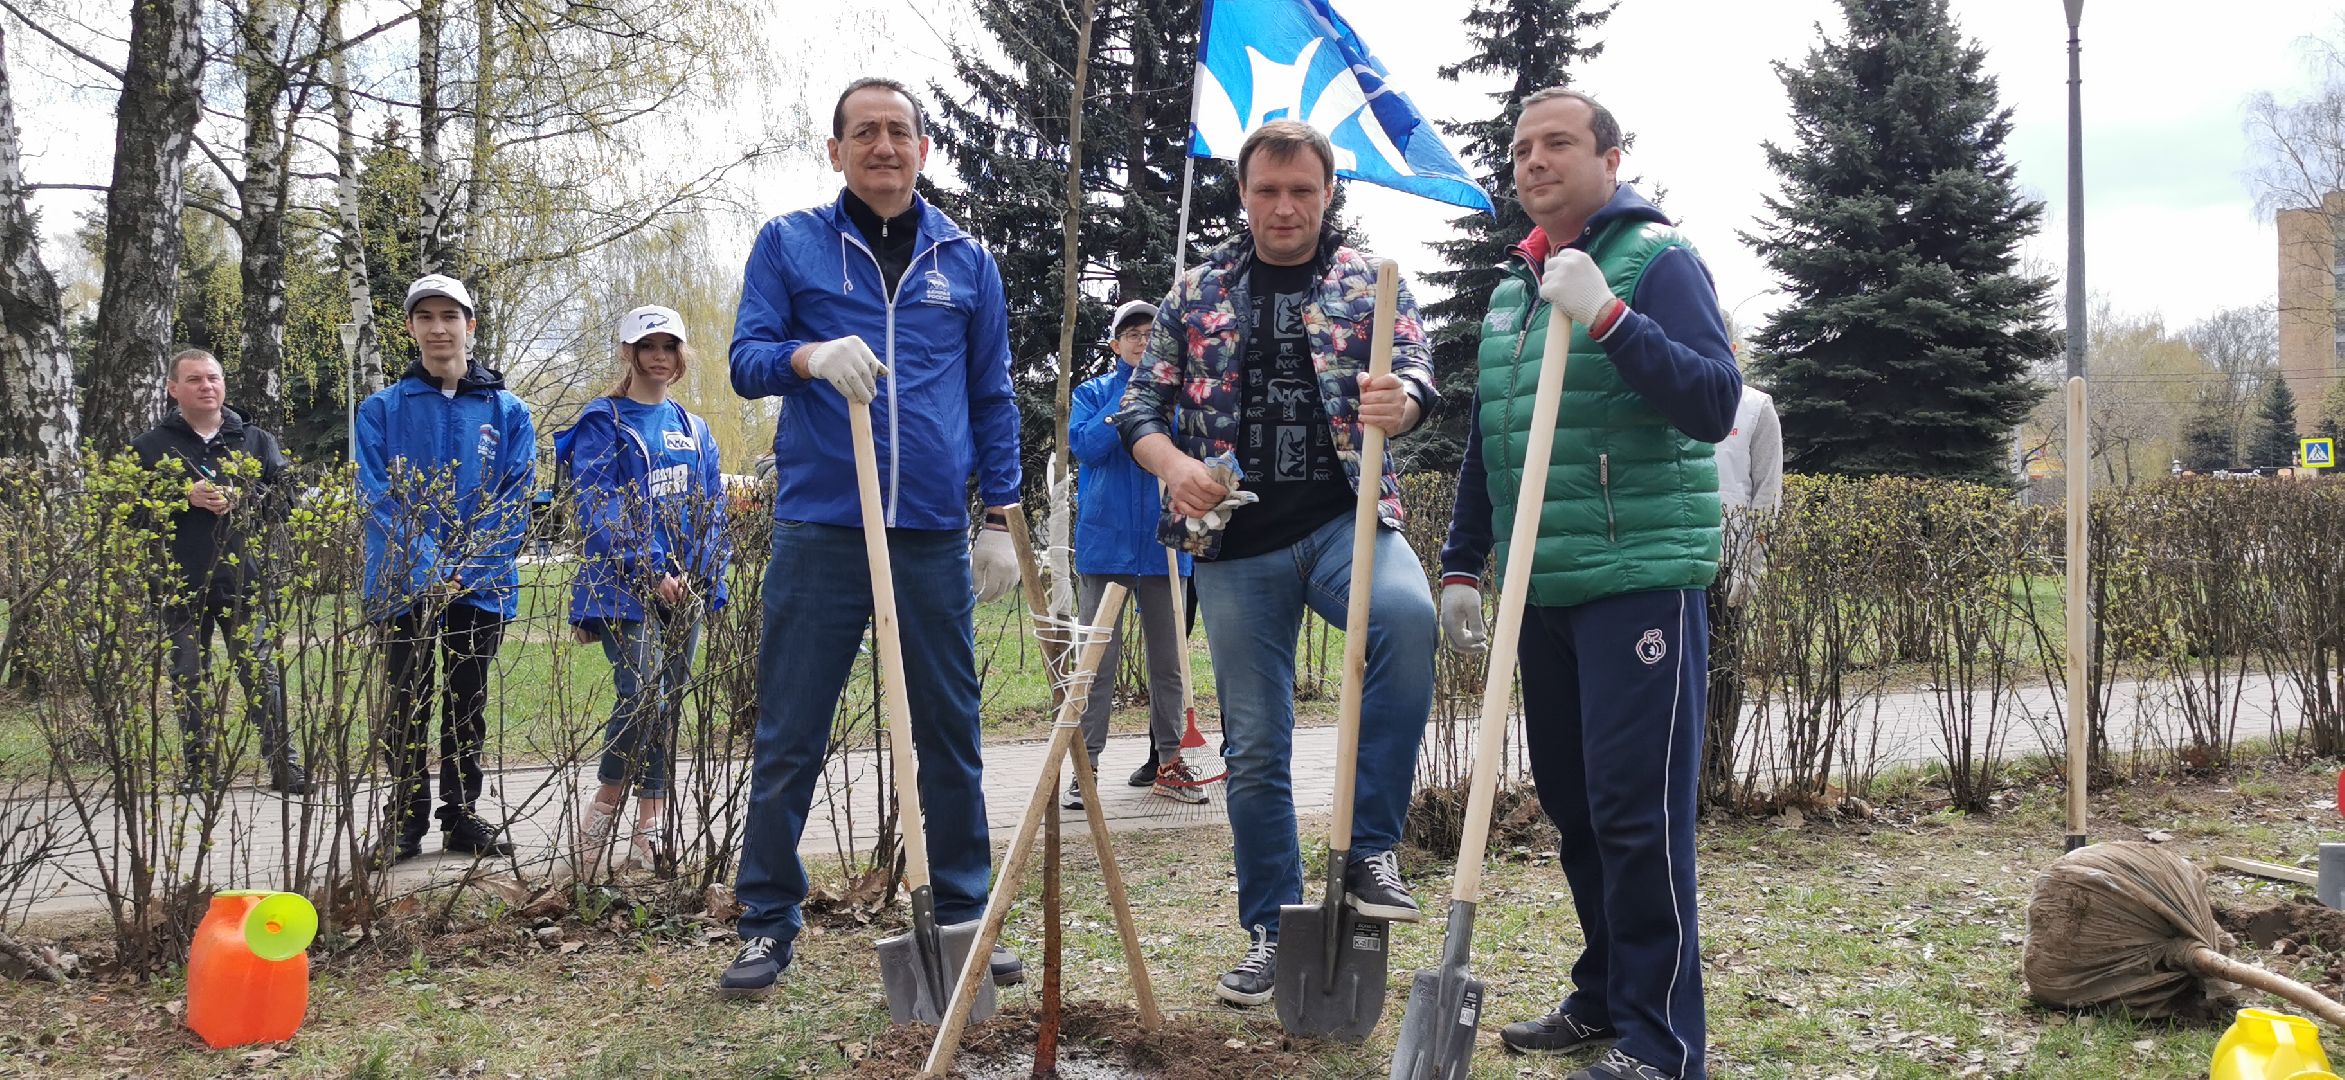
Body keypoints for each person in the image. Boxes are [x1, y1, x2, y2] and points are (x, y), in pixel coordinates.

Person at [1437, 88, 1740, 1080]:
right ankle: (1606, 996)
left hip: (1636, 578)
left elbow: (1712, 401)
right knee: (1575, 804)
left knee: (1634, 812)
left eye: (1557, 143)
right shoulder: (1511, 291)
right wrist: (1462, 563)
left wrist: (1607, 314)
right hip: (1545, 585)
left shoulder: (1658, 261)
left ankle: (1663, 1040)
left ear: (1610, 160)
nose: (1533, 161)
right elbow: (1494, 437)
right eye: (1520, 148)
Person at [1117, 120, 1440, 1007]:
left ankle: (1368, 847)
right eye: (1268, 190)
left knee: (1406, 619)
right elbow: (1140, 408)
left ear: (1328, 192)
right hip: (1237, 544)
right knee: (1256, 748)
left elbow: (1417, 374)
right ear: (1244, 194)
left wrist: (1401, 403)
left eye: (1302, 190)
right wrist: (1173, 466)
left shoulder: (1370, 282)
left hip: (1345, 524)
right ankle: (1271, 928)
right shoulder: (1196, 291)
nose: (1285, 206)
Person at [722, 76, 1025, 998]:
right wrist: (808, 356)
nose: (882, 146)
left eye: (898, 131)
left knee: (950, 731)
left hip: (929, 533)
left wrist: (1000, 518)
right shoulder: (790, 244)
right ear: (836, 150)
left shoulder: (965, 260)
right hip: (821, 526)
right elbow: (745, 360)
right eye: (864, 132)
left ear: (923, 148)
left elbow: (991, 396)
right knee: (790, 732)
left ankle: (964, 914)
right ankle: (767, 919)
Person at [359, 274, 538, 865]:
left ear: (470, 325)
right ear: (411, 328)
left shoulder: (508, 412)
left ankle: (460, 815)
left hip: (479, 587)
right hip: (403, 584)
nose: (439, 328)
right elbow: (375, 494)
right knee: (405, 701)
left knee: (468, 701)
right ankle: (406, 818)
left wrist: (466, 569)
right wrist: (429, 567)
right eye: (426, 317)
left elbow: (515, 497)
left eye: (450, 316)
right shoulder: (381, 410)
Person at [559, 306, 732, 877]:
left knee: (667, 702)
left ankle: (648, 826)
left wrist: (706, 575)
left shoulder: (693, 428)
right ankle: (603, 812)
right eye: (647, 346)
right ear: (627, 353)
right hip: (621, 587)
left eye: (668, 346)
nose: (659, 356)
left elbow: (712, 509)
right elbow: (599, 505)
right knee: (642, 691)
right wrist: (650, 568)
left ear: (681, 355)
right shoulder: (602, 421)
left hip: (684, 590)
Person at [132, 349, 307, 795]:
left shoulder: (255, 440)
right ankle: (198, 772)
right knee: (188, 676)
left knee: (260, 675)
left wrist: (245, 495)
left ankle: (285, 767)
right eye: (194, 379)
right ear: (173, 389)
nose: (206, 386)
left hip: (243, 580)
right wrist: (180, 495)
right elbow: (127, 512)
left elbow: (289, 500)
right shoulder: (149, 447)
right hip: (179, 583)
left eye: (213, 378)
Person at [1064, 299, 1202, 811]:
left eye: (1149, 333)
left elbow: (1197, 448)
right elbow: (1085, 447)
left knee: (1170, 664)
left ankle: (1171, 763)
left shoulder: (1178, 394)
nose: (1143, 342)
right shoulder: (1092, 392)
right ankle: (1085, 768)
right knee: (1096, 665)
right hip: (1106, 547)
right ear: (1115, 343)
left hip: (1165, 544)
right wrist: (1123, 407)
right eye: (1133, 334)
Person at [1703, 378, 1781, 801]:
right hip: (1669, 563)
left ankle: (1713, 770)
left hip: (1726, 565)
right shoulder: (1663, 392)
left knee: (1722, 670)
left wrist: (1749, 568)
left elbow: (1767, 493)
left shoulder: (1755, 407)